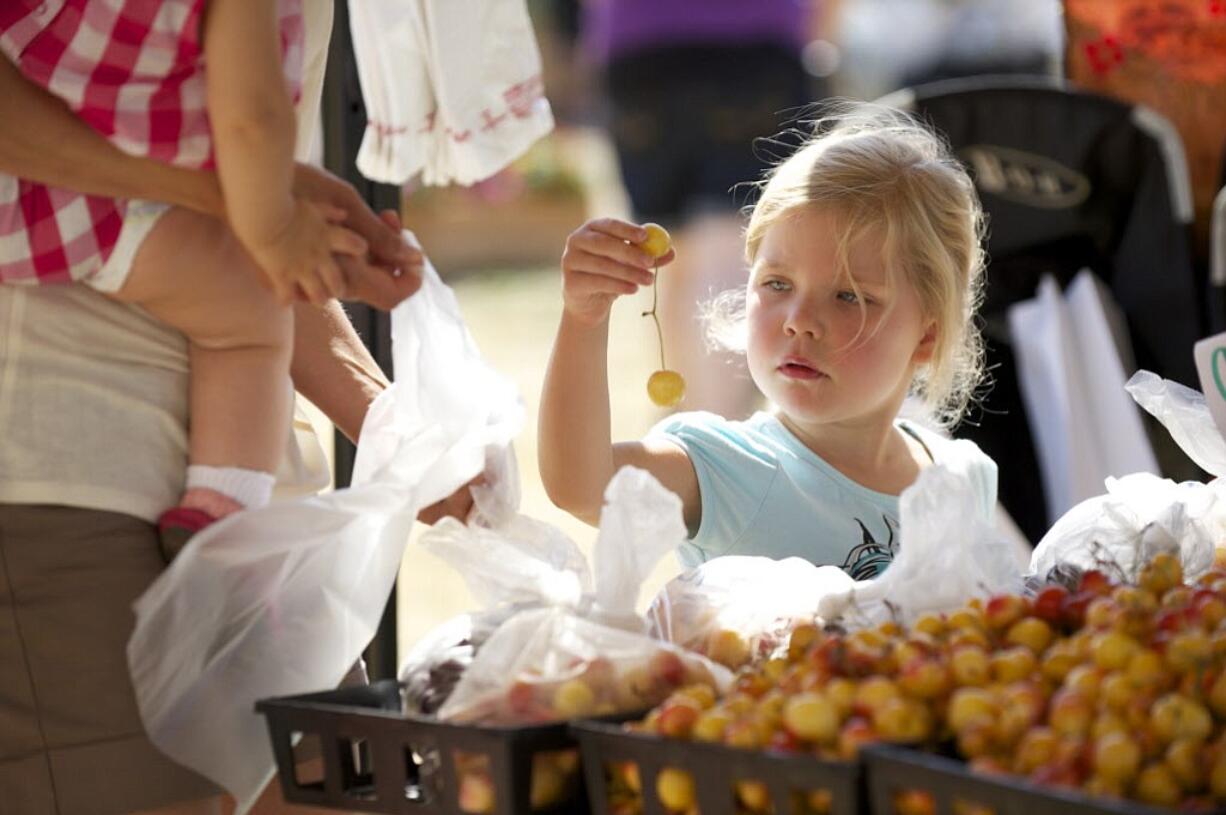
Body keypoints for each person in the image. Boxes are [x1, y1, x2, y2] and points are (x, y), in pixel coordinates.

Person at [0, 3, 473, 813]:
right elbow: (238, 174)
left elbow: (247, 209)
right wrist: (246, 203)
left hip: (250, 528)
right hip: (70, 487)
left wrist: (393, 426)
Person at [0, 0, 405, 546]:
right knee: (248, 317)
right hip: (87, 219)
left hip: (43, 190)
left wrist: (390, 424)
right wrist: (276, 228)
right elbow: (251, 122)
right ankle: (221, 513)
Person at [539, 105, 998, 577]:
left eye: (848, 297)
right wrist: (584, 318)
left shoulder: (961, 478)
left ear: (927, 336)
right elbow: (583, 488)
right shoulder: (724, 469)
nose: (800, 321)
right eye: (777, 284)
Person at [577, 0, 818, 419]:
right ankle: (712, 438)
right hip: (754, 47)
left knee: (670, 254)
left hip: (639, 49)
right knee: (731, 244)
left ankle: (684, 430)